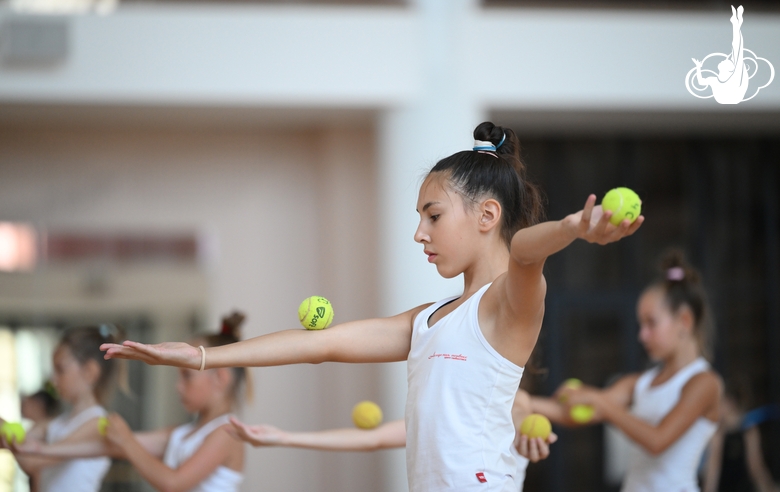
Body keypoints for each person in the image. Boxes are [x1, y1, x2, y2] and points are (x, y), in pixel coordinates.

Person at [101, 121, 643, 491]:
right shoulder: (428, 319)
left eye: (433, 216)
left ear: (487, 216)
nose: (419, 233)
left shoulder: (509, 307)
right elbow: (322, 344)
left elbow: (524, 253)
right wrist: (198, 356)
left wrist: (572, 228)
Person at [530, 250, 723, 492]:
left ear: (684, 321)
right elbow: (582, 412)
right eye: (641, 324)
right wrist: (525, 401)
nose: (642, 335)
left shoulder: (705, 382)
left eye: (651, 323)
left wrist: (600, 400)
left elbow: (657, 441)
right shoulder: (639, 383)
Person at [10, 312, 249, 492]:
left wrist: (126, 441)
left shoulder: (228, 433)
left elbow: (173, 482)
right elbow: (104, 446)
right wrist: (42, 450)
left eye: (186, 375)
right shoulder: (180, 434)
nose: (178, 386)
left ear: (220, 378)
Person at [228, 389, 557, 491]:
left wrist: (524, 433)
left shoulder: (515, 398)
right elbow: (373, 439)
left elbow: (518, 414)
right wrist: (284, 437)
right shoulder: (443, 411)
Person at [1, 325, 126, 492]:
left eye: (60, 369)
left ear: (90, 371)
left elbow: (31, 460)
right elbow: (23, 444)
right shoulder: (55, 424)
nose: (53, 379)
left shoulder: (98, 424)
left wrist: (6, 431)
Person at [702, 381, 779, 492]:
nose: (716, 406)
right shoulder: (719, 433)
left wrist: (770, 488)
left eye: (720, 402)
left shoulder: (749, 430)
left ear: (730, 403)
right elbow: (713, 470)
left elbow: (756, 467)